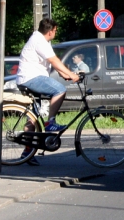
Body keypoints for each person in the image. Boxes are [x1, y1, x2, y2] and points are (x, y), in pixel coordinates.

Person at [16, 18, 79, 165]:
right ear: (50, 31)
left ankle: (27, 153)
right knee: (59, 90)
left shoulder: (38, 39)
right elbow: (54, 61)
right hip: (31, 78)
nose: (55, 32)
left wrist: (65, 74)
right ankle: (50, 122)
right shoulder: (40, 41)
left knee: (32, 118)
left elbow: (52, 63)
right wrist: (71, 74)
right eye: (55, 30)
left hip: (25, 79)